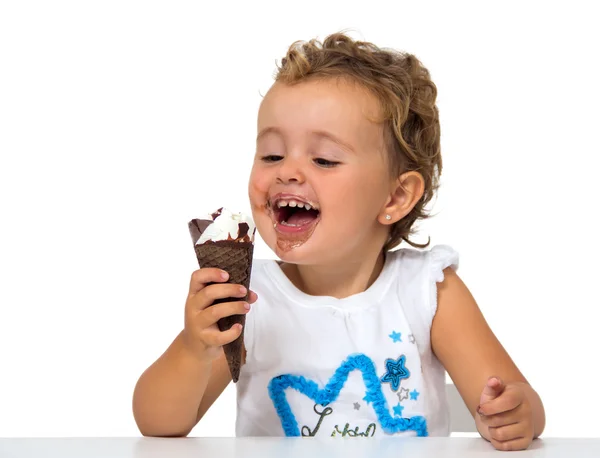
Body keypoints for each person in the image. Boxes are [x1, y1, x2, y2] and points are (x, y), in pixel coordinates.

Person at [132, 32, 545, 451]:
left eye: (324, 159)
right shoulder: (248, 298)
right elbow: (159, 425)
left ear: (396, 196)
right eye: (272, 155)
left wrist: (514, 411)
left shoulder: (428, 293)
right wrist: (193, 347)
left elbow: (517, 399)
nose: (287, 172)